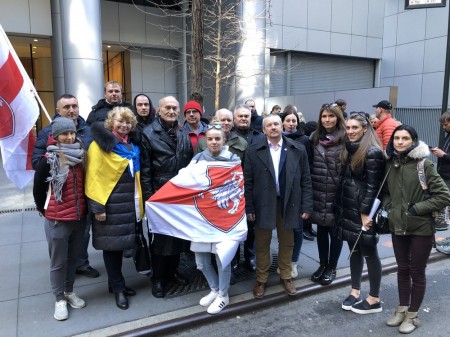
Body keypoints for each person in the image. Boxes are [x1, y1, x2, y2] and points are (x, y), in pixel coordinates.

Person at [382, 125, 450, 333]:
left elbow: (444, 196)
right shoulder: (390, 164)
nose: (400, 142)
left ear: (413, 141)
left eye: (405, 138)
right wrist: (390, 208)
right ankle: (402, 309)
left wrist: (415, 209)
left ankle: (412, 315)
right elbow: (384, 192)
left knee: (416, 271)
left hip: (421, 227)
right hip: (398, 225)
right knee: (402, 269)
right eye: (397, 138)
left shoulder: (424, 164)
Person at [31, 94, 99, 279]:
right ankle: (63, 275)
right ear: (58, 111)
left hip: (83, 195)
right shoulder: (47, 132)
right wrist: (57, 161)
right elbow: (37, 161)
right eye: (66, 106)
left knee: (83, 234)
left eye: (74, 106)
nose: (71, 110)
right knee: (60, 241)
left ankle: (81, 264)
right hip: (61, 200)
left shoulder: (89, 130)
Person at [244, 114, 313, 299]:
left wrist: (306, 206)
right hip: (262, 203)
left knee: (287, 242)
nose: (273, 127)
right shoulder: (253, 150)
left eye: (276, 124)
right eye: (269, 125)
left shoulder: (297, 149)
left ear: (282, 126)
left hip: (288, 202)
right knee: (262, 243)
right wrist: (249, 208)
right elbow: (247, 182)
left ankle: (286, 276)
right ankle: (261, 279)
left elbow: (306, 179)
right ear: (263, 129)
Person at [85, 107, 143, 310]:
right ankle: (118, 289)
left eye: (128, 122)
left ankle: (116, 284)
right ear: (111, 123)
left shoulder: (131, 146)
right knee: (112, 249)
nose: (124, 125)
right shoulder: (99, 146)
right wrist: (98, 208)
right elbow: (93, 178)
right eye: (120, 121)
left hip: (126, 204)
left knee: (120, 247)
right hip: (109, 206)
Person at [33, 117, 87, 321]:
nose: (70, 136)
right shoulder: (48, 159)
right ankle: (59, 299)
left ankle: (69, 291)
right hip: (57, 219)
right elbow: (38, 189)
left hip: (79, 217)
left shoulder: (82, 156)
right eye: (65, 134)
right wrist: (44, 210)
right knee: (58, 262)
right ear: (56, 137)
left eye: (72, 133)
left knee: (73, 259)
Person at [140, 96, 193, 298]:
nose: (171, 111)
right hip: (159, 194)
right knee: (160, 240)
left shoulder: (183, 133)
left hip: (181, 194)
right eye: (167, 108)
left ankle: (172, 272)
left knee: (178, 237)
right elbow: (145, 171)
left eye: (174, 108)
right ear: (159, 110)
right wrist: (149, 200)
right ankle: (159, 278)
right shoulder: (148, 134)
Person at [190, 119, 241, 314]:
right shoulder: (197, 160)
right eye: (210, 138)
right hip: (201, 218)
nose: (213, 142)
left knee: (223, 259)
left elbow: (237, 187)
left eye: (217, 138)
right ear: (205, 140)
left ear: (224, 140)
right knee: (201, 262)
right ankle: (214, 289)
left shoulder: (233, 160)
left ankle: (223, 295)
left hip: (224, 217)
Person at [335, 112, 384, 314]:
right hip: (348, 208)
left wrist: (366, 213)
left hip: (362, 212)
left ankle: (374, 298)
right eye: (348, 128)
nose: (351, 131)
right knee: (354, 250)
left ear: (365, 129)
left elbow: (374, 187)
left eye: (355, 128)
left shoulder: (372, 152)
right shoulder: (349, 149)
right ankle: (355, 291)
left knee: (369, 253)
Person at [309, 104, 346, 286]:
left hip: (337, 195)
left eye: (331, 116)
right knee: (321, 231)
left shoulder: (345, 140)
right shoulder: (314, 138)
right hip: (318, 192)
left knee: (335, 233)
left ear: (338, 118)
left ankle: (332, 267)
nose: (327, 120)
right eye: (324, 116)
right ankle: (322, 264)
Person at [280, 109, 311, 278]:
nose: (291, 123)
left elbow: (307, 168)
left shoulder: (304, 141)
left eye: (294, 121)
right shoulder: (276, 139)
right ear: (282, 122)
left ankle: (293, 262)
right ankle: (283, 261)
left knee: (297, 230)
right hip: (280, 192)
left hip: (297, 192)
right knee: (282, 231)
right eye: (288, 120)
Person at [430, 109, 450, 231]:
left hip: (448, 175)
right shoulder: (448, 136)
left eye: (446, 124)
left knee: (443, 197)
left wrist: (443, 155)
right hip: (444, 173)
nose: (444, 127)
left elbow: (446, 155)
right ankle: (441, 221)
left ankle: (442, 222)